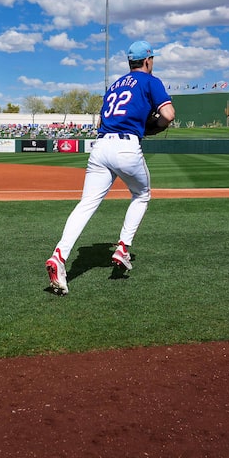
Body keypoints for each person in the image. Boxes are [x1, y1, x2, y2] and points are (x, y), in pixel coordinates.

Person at [46, 40, 175, 295]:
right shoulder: (151, 81)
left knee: (86, 204)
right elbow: (168, 115)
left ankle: (59, 256)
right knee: (141, 195)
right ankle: (123, 247)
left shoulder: (114, 85)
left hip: (101, 146)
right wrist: (149, 127)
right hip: (126, 146)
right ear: (148, 60)